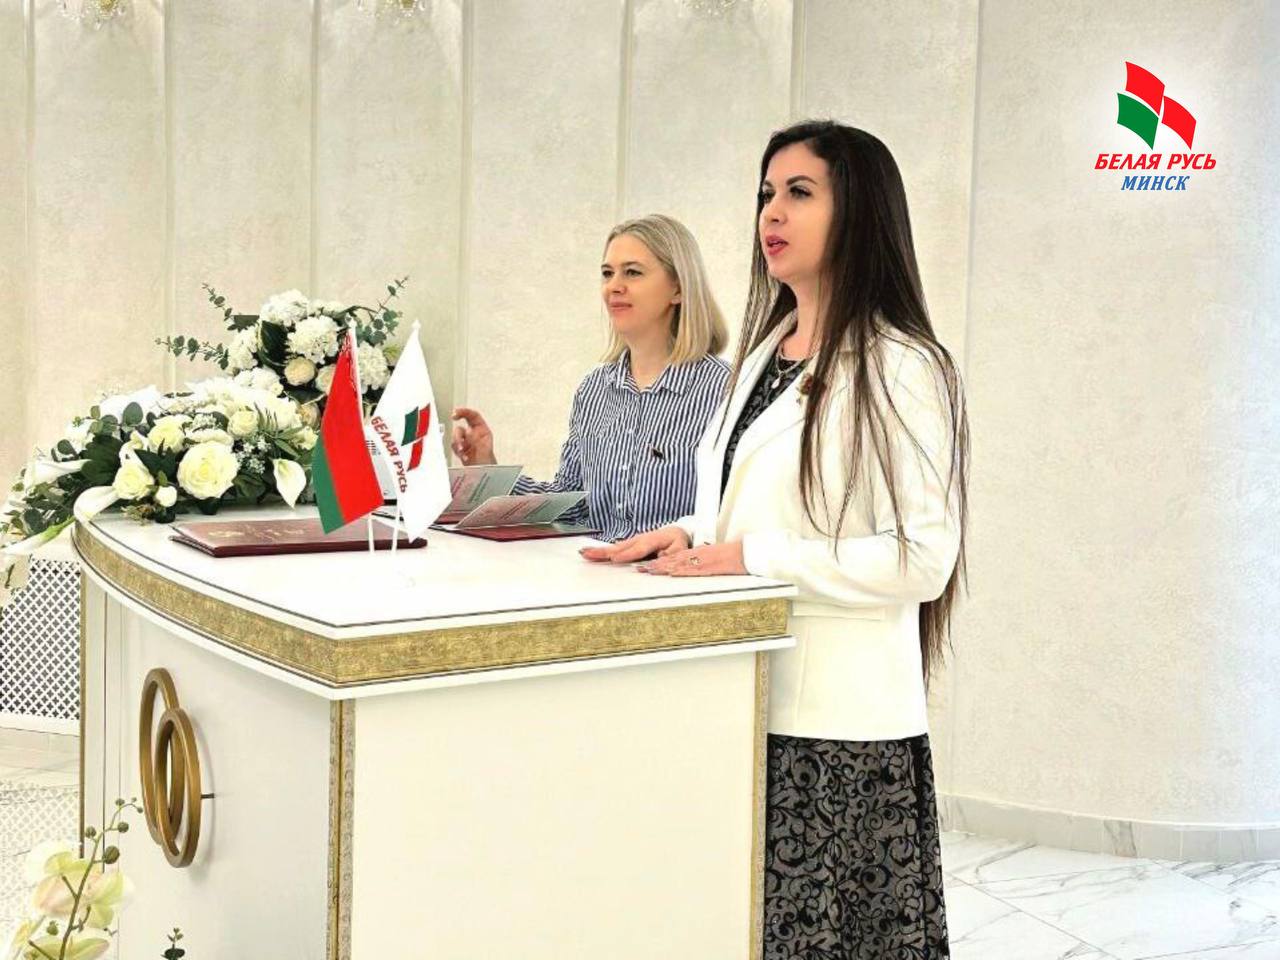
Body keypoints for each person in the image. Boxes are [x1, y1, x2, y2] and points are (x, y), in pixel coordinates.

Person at [582, 121, 969, 958]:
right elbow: (756, 504)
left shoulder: (903, 365)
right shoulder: (763, 356)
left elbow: (923, 558)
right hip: (742, 698)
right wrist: (682, 534)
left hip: (838, 729)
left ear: (858, 210)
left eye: (799, 193)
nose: (772, 213)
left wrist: (750, 558)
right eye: (766, 193)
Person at [451, 214, 730, 542]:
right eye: (608, 273)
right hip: (592, 568)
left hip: (674, 572)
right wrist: (488, 467)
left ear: (678, 288)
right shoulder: (593, 389)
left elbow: (735, 514)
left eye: (632, 272)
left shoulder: (726, 390)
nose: (614, 286)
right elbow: (570, 505)